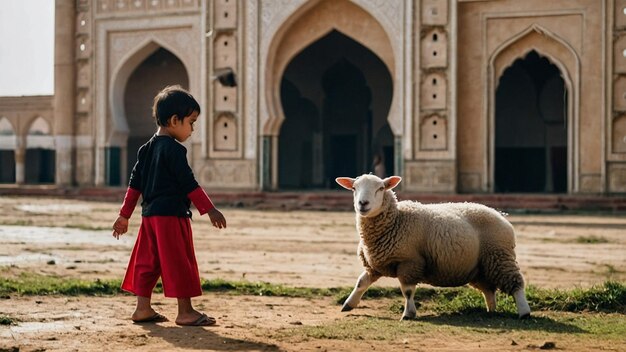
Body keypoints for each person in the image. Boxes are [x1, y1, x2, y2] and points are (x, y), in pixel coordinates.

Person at [112, 85, 227, 326]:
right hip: (172, 217)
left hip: (149, 216)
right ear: (175, 120)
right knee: (179, 262)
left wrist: (124, 216)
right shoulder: (175, 150)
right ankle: (185, 312)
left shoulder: (145, 149)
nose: (193, 129)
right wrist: (210, 210)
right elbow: (189, 184)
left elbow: (134, 186)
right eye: (191, 122)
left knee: (147, 262)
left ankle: (142, 309)